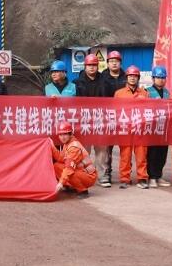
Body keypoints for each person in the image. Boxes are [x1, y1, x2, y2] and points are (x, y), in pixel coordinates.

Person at [73, 53, 111, 187]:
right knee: (85, 150)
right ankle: (85, 175)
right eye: (89, 65)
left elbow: (111, 101)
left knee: (102, 149)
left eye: (94, 65)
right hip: (84, 121)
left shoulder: (105, 82)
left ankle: (102, 175)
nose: (92, 67)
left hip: (101, 119)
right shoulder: (77, 83)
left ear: (98, 66)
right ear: (85, 66)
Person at [114, 65, 149, 189]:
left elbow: (148, 111)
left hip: (140, 129)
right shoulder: (119, 93)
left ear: (138, 78)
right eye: (130, 76)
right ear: (126, 78)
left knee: (141, 155)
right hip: (125, 128)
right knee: (125, 155)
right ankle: (125, 178)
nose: (132, 78)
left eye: (135, 76)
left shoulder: (144, 93)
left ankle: (142, 178)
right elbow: (115, 112)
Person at [50, 121, 97, 197]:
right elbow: (61, 158)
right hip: (81, 172)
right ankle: (70, 186)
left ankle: (83, 190)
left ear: (70, 134)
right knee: (56, 166)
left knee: (69, 172)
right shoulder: (68, 143)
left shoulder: (74, 147)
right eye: (60, 135)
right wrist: (52, 146)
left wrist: (61, 183)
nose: (62, 137)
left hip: (89, 176)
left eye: (65, 134)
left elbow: (69, 168)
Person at [146, 65, 171, 188]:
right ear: (153, 78)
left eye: (163, 77)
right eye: (158, 77)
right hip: (152, 128)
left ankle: (159, 175)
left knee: (162, 153)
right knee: (152, 153)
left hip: (164, 128)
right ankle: (152, 177)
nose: (161, 80)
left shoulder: (167, 93)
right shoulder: (147, 92)